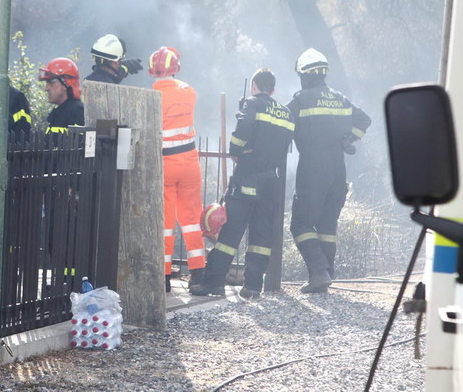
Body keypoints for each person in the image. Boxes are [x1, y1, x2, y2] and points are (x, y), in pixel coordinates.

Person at [190, 68, 294, 299]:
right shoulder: (286, 113)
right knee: (261, 236)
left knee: (230, 233)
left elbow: (243, 130)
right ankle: (253, 287)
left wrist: (236, 150)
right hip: (271, 181)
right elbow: (283, 144)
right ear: (274, 89)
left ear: (254, 86)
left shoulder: (253, 103)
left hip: (248, 177)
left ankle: (214, 283)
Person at [288, 48, 371, 293]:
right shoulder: (340, 98)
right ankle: (325, 276)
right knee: (327, 226)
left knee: (301, 224)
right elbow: (364, 120)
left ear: (304, 75)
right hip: (338, 171)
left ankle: (319, 271)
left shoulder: (301, 100)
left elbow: (280, 124)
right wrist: (349, 139)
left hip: (313, 169)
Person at [148, 46, 206, 292]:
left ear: (153, 70)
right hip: (189, 163)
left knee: (165, 222)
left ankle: (163, 278)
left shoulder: (150, 96)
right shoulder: (189, 92)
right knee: (192, 220)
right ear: (176, 68)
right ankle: (198, 273)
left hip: (165, 165)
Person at [39, 57, 84, 145]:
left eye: (51, 81)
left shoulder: (77, 111)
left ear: (66, 83)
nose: (46, 88)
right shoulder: (60, 111)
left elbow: (77, 152)